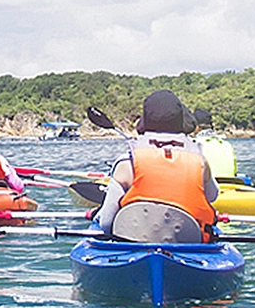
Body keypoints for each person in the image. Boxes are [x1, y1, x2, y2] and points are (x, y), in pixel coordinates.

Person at [92, 90, 220, 243]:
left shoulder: (127, 163)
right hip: (190, 244)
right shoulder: (200, 162)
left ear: (145, 120)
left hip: (134, 243)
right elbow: (212, 196)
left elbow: (106, 223)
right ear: (181, 120)